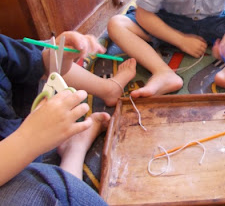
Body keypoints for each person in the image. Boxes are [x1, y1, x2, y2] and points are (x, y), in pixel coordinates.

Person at [0, 32, 136, 205]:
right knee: (42, 189)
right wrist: (30, 139)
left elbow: (40, 63)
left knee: (40, 49)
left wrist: (60, 56)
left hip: (19, 128)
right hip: (15, 161)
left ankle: (107, 90)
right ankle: (74, 151)